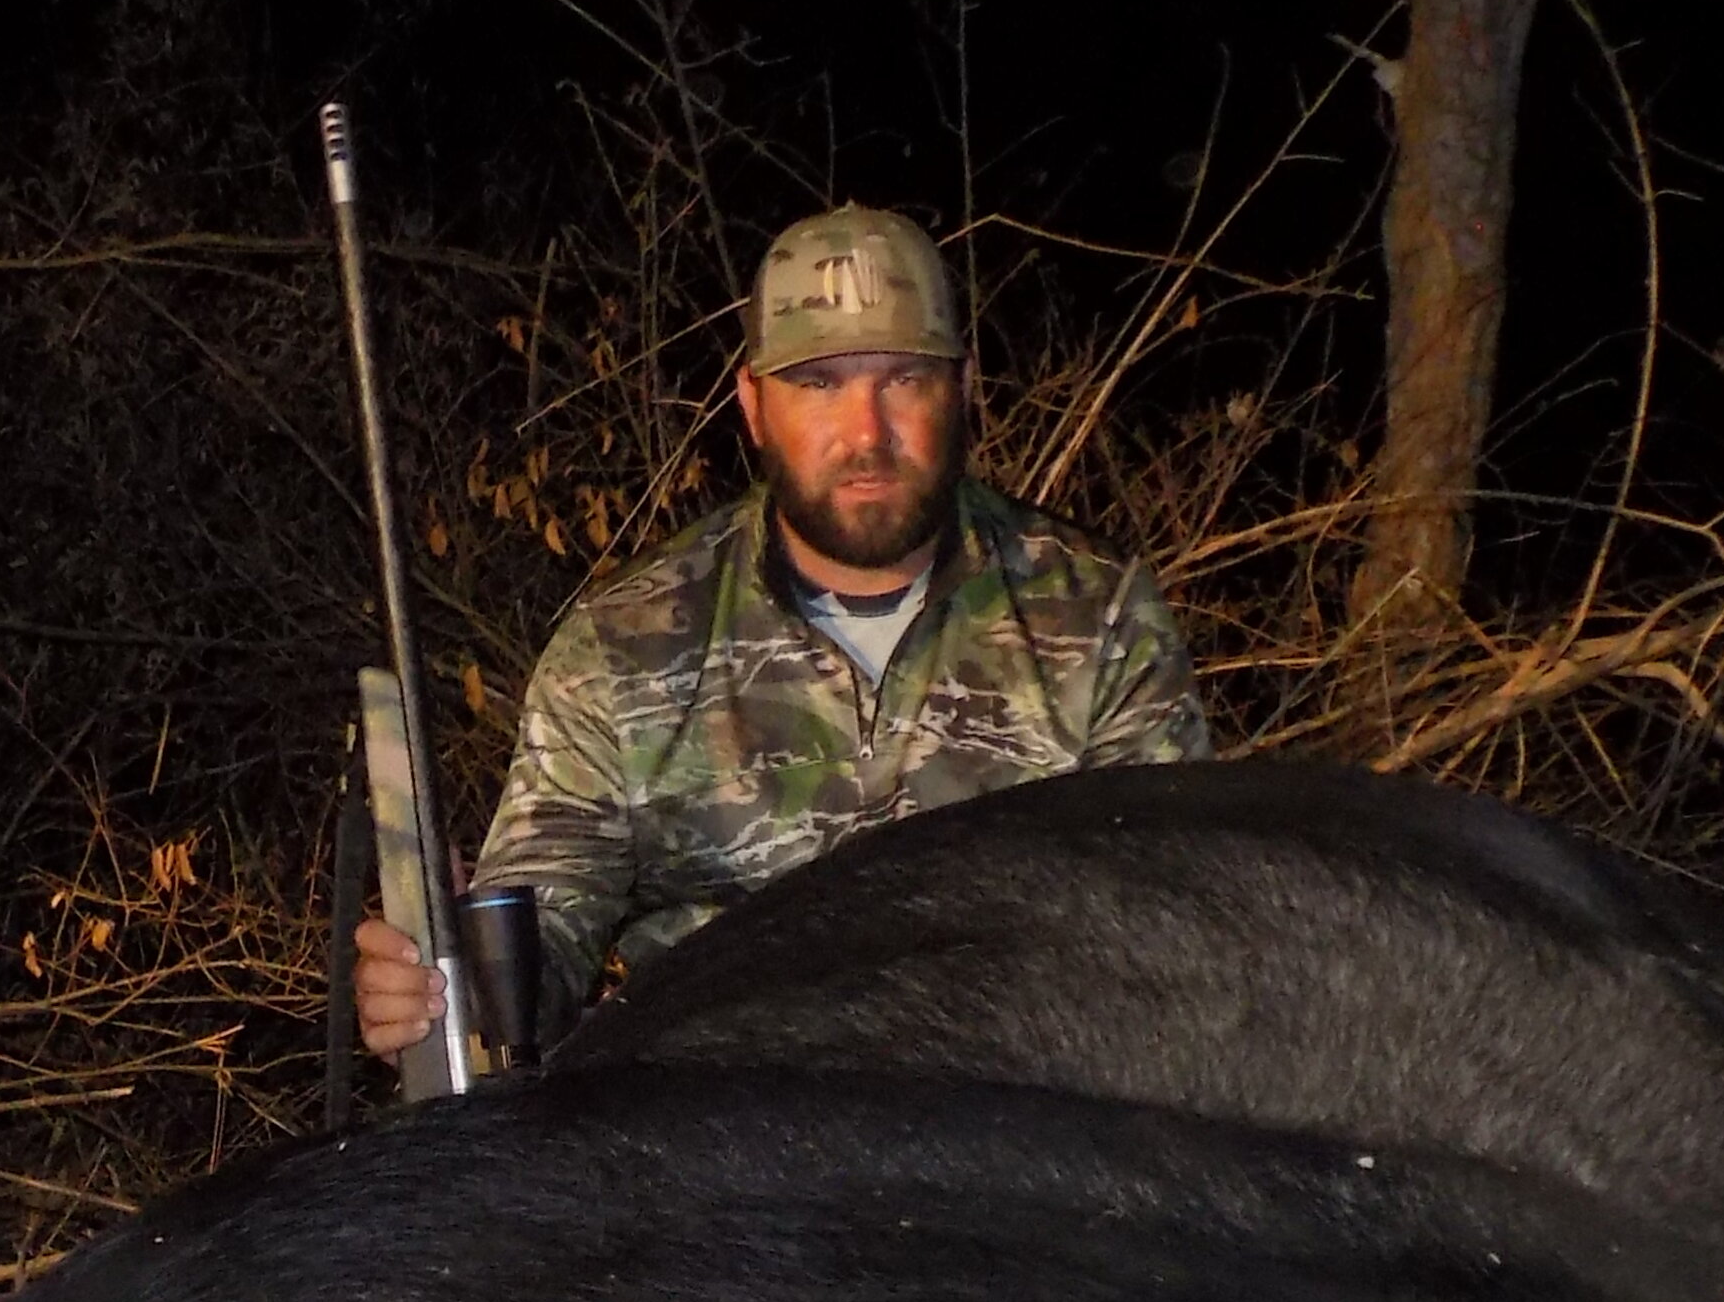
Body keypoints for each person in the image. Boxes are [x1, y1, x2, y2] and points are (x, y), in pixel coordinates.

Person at [353, 204, 1206, 1063]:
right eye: (819, 384)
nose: (867, 433)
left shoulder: (1095, 617)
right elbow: (542, 934)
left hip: (1014, 1120)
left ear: (963, 387)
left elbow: (1167, 930)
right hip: (721, 1140)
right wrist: (443, 993)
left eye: (904, 379)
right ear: (753, 405)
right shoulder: (625, 645)